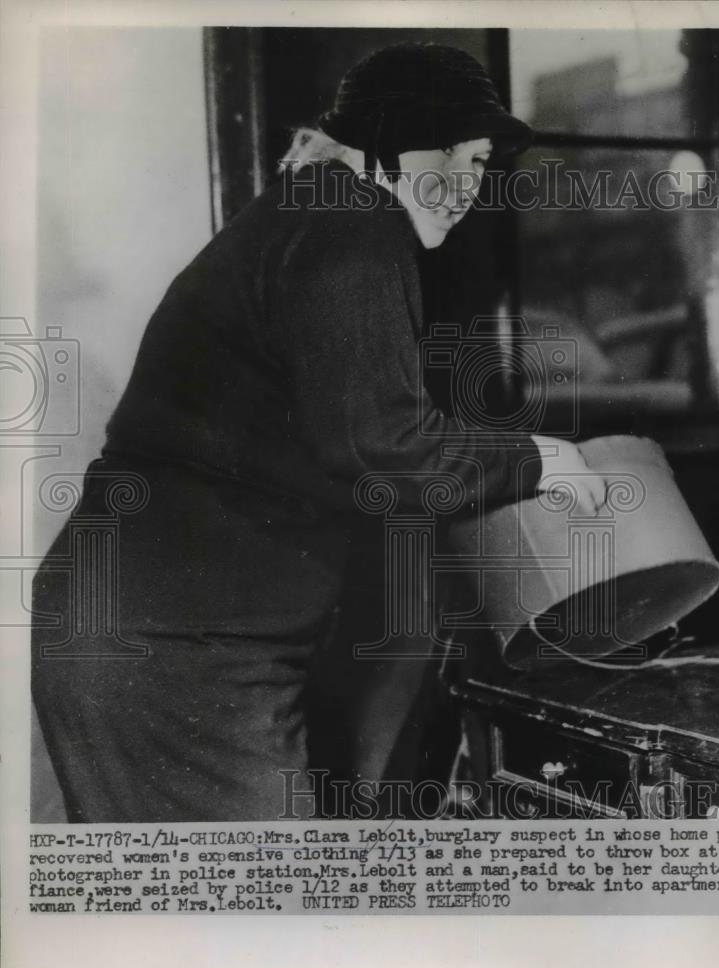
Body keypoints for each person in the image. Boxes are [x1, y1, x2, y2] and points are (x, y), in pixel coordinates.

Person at [31, 42, 605, 822]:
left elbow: (357, 440)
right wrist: (541, 460)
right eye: (456, 157)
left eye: (481, 166)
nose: (469, 188)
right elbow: (385, 450)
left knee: (209, 923)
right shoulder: (354, 228)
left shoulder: (313, 214)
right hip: (174, 647)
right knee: (260, 920)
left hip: (156, 630)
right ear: (388, 144)